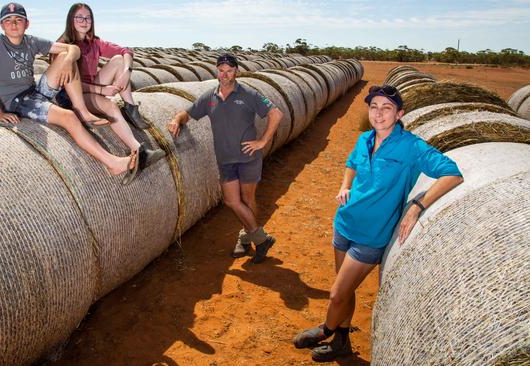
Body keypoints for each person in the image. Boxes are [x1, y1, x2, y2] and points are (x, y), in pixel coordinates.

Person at [292, 85, 464, 361]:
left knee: (337, 294)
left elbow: (452, 174)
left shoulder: (411, 146)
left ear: (399, 113)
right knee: (344, 288)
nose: (379, 113)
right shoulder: (364, 139)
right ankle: (342, 342)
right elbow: (351, 164)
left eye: (387, 108)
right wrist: (345, 185)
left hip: (372, 236)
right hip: (344, 223)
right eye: (374, 107)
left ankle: (326, 329)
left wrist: (418, 206)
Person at [0, 2, 139, 185]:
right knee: (69, 117)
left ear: (27, 24)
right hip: (16, 102)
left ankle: (84, 111)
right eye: (8, 20)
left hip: (35, 92)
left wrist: (69, 57)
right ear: (1, 25)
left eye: (18, 20)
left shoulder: (31, 41)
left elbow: (74, 49)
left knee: (66, 57)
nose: (14, 24)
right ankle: (113, 163)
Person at [168, 54, 283, 264]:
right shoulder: (209, 97)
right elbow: (188, 113)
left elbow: (276, 114)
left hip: (248, 158)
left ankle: (247, 239)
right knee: (231, 201)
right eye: (221, 70)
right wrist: (176, 120)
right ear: (217, 71)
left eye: (229, 70)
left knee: (247, 200)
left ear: (236, 71)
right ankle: (261, 239)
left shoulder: (249, 94)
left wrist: (262, 142)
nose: (225, 74)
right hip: (225, 159)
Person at [54, 3, 165, 170]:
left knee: (120, 60)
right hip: (70, 95)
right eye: (79, 17)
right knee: (111, 106)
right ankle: (139, 152)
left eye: (88, 17)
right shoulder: (63, 45)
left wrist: (127, 71)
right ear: (71, 20)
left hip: (91, 87)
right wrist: (101, 90)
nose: (84, 21)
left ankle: (130, 106)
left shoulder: (94, 42)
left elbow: (125, 51)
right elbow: (66, 82)